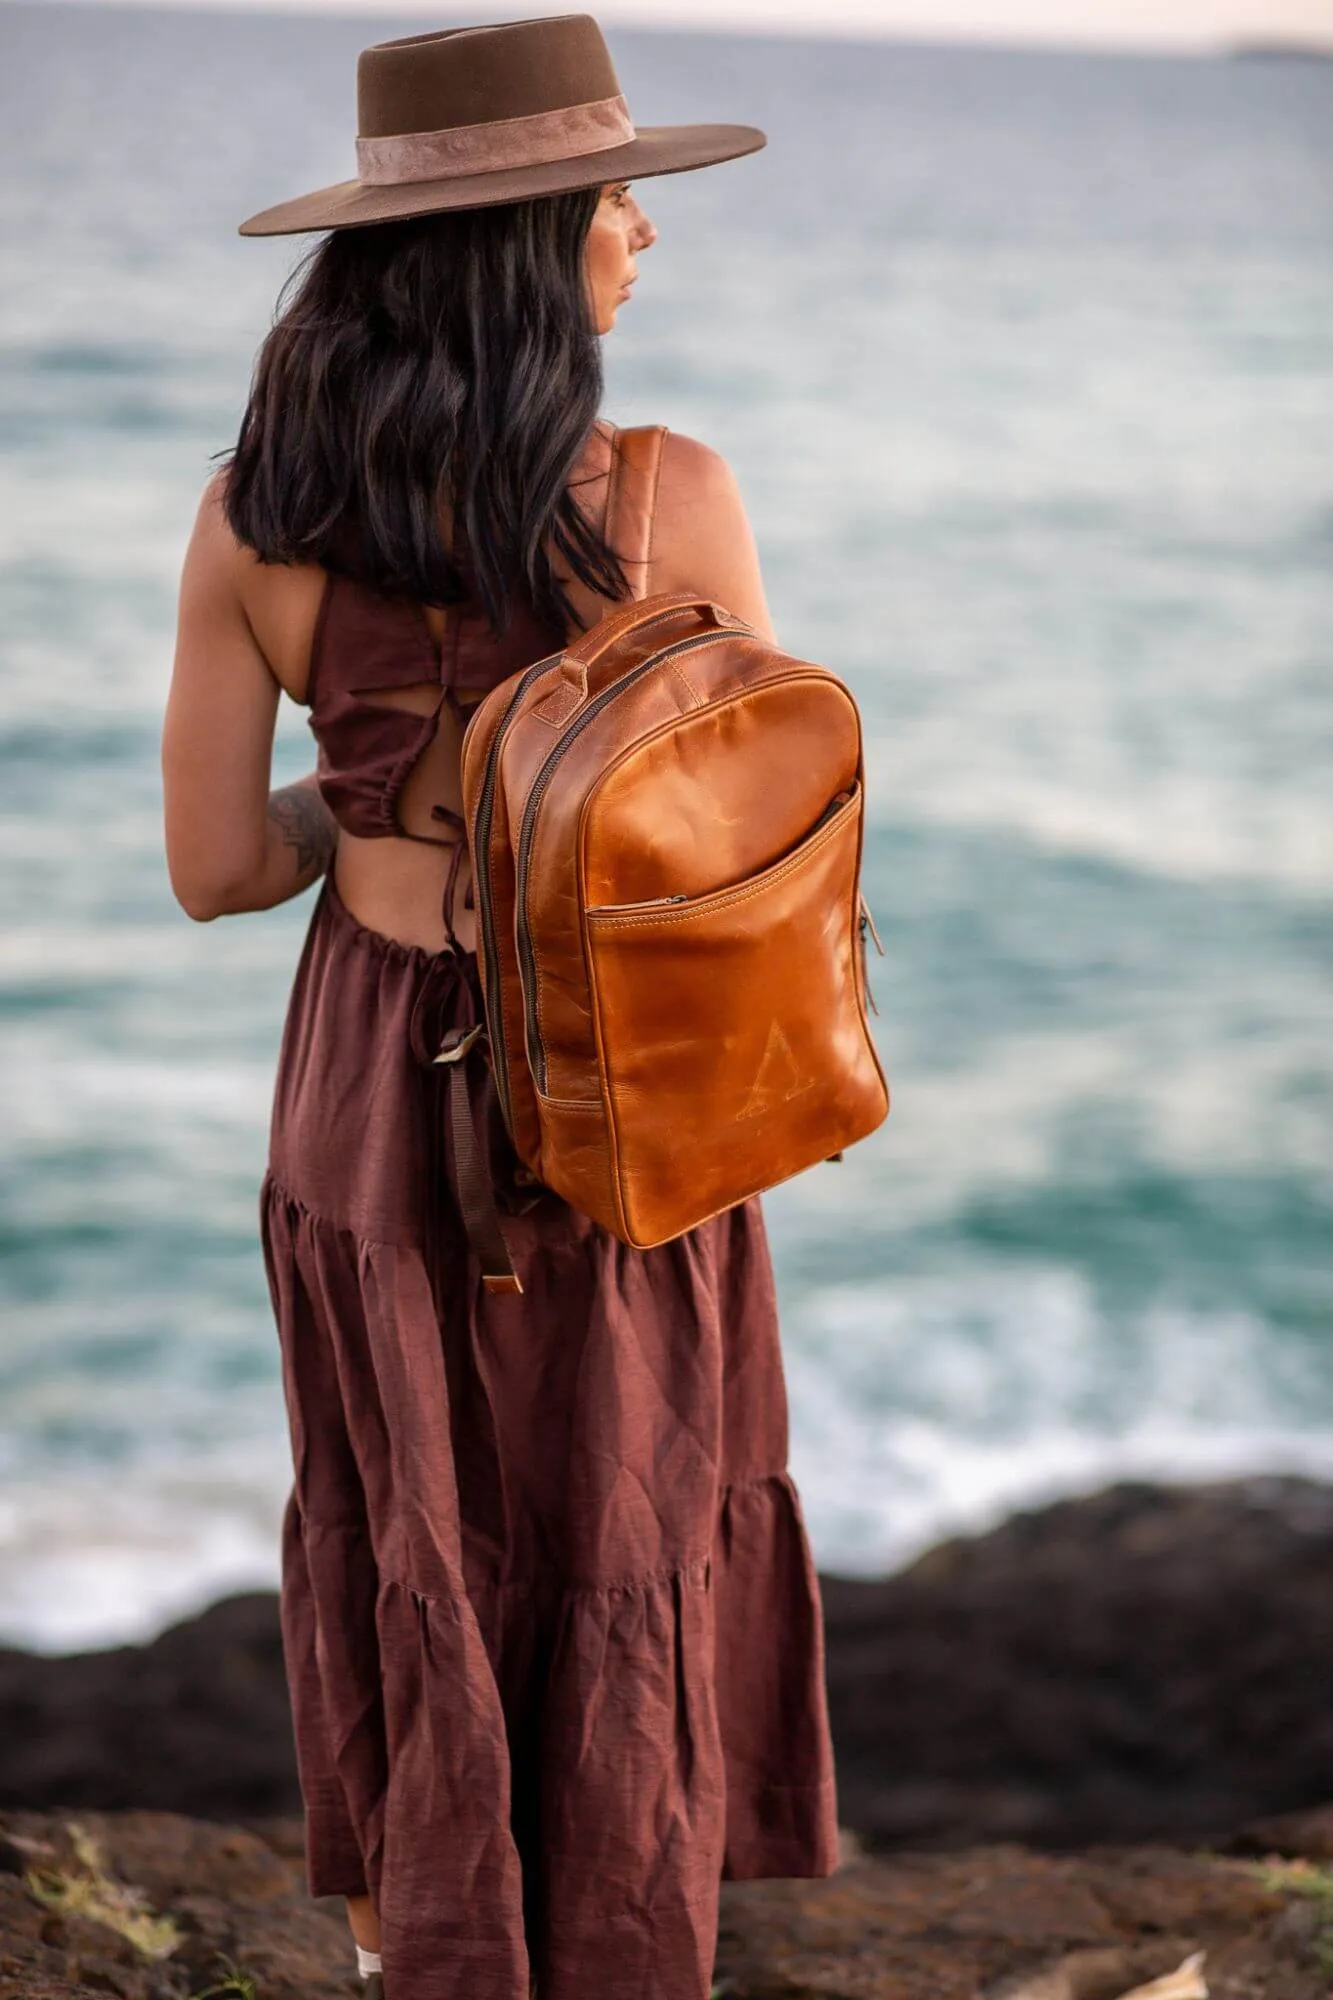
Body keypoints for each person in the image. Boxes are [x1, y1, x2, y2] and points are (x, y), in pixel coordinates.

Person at [161, 16, 838, 2000]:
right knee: (623, 1491)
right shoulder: (669, 503)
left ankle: (419, 1939)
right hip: (615, 1079)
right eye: (618, 199)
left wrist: (368, 790)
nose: (645, 230)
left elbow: (213, 868)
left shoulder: (254, 514)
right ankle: (633, 1933)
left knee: (408, 1507)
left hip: (374, 1076)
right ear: (528, 241)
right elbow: (756, 835)